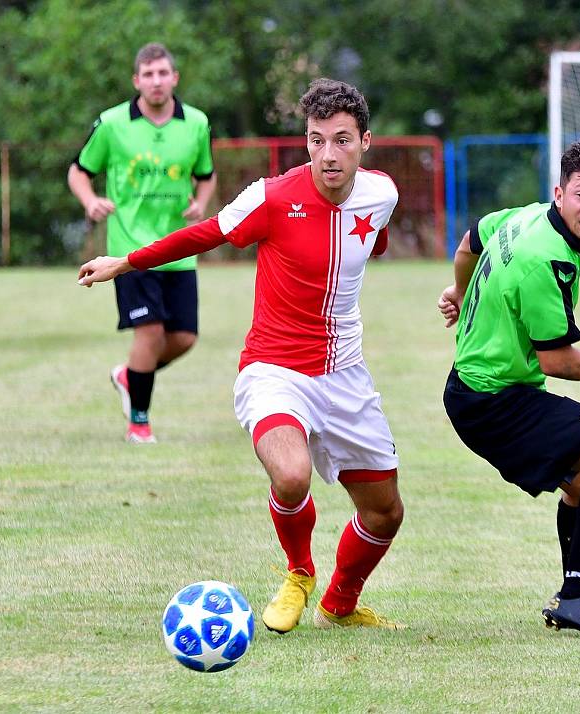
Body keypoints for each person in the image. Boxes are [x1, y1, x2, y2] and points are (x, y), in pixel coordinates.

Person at [78, 78, 405, 632]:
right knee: (292, 475)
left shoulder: (382, 193)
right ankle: (299, 573)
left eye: (342, 140)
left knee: (384, 512)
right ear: (306, 142)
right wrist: (126, 262)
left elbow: (374, 236)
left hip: (346, 373)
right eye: (316, 139)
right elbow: (203, 234)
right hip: (274, 369)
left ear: (365, 142)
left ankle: (339, 604)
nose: (329, 153)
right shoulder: (271, 197)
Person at [438, 139, 580, 637]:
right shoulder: (545, 259)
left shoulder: (527, 216)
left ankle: (578, 594)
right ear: (560, 193)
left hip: (480, 391)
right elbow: (557, 361)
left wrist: (459, 288)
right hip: (495, 401)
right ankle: (577, 598)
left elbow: (471, 239)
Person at [68, 42, 216, 444]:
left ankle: (127, 376)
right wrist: (90, 200)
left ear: (174, 78)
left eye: (163, 73)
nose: (156, 81)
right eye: (148, 74)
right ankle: (139, 423)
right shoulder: (113, 123)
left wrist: (200, 203)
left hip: (179, 250)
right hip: (128, 252)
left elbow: (206, 174)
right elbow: (79, 171)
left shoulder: (196, 123)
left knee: (184, 339)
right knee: (149, 333)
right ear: (137, 81)